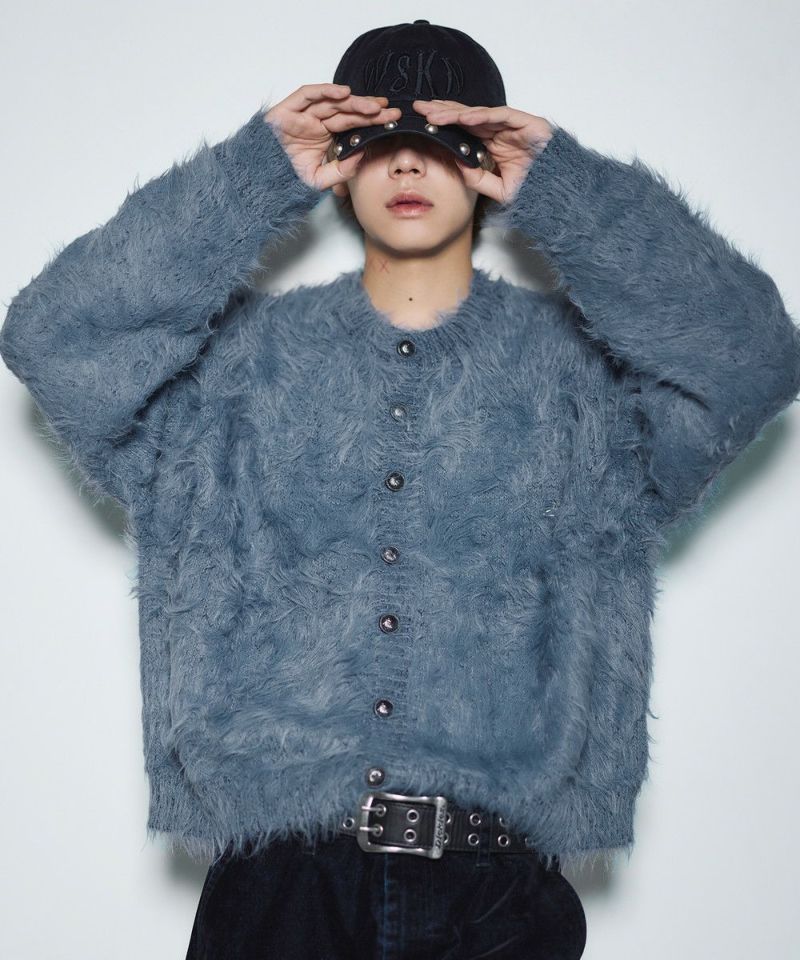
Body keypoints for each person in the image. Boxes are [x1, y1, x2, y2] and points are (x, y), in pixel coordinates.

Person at [1, 19, 798, 960]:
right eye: (377, 138)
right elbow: (54, 340)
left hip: (499, 903)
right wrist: (256, 173)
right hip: (278, 897)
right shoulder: (229, 375)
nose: (410, 162)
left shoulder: (587, 388)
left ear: (489, 161)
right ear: (340, 166)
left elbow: (753, 358)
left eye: (447, 138)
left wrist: (568, 189)